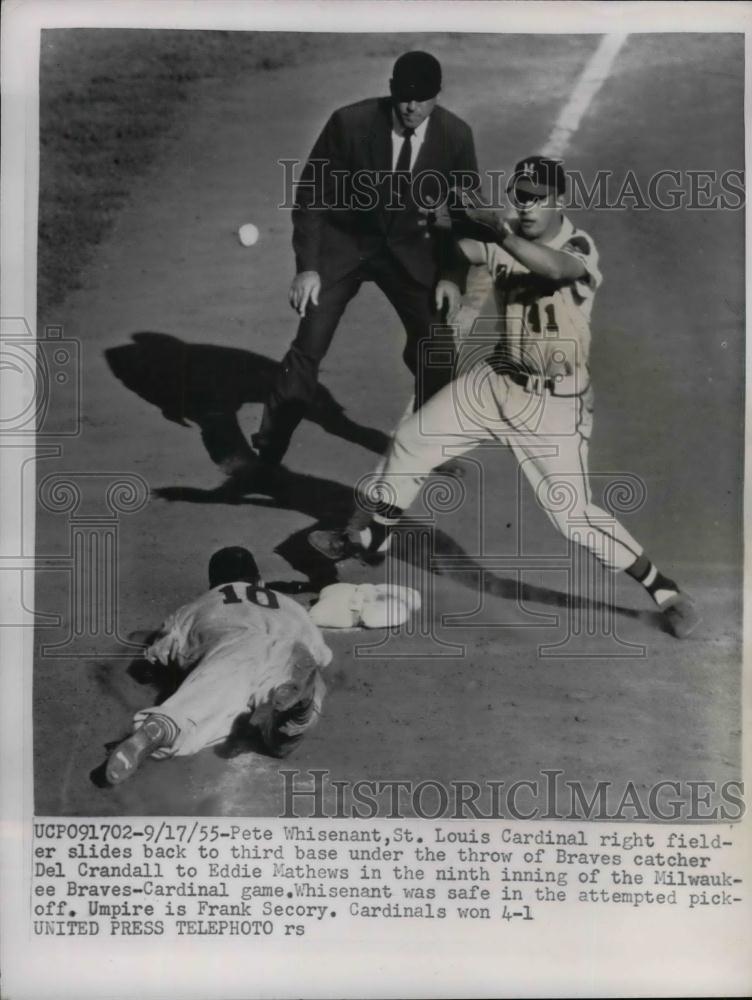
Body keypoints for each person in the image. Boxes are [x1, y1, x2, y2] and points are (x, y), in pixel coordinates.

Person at [308, 155, 701, 639]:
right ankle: (373, 535)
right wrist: (430, 218)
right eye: (521, 195)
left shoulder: (576, 245)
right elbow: (457, 247)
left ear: (560, 200)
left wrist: (497, 234)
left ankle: (664, 590)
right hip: (495, 381)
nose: (528, 205)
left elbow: (554, 269)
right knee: (412, 438)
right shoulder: (504, 235)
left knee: (573, 517)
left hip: (552, 406)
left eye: (538, 197)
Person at [251, 50, 479, 469]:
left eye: (423, 98)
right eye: (405, 97)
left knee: (438, 347)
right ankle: (269, 450)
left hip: (411, 251)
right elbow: (311, 195)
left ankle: (424, 444)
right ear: (391, 90)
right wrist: (308, 267)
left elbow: (463, 215)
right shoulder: (349, 123)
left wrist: (450, 276)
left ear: (437, 96)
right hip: (346, 245)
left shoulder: (455, 135)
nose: (412, 108)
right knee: (310, 343)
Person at [105, 547, 332, 784]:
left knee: (209, 699)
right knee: (283, 739)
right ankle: (300, 709)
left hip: (233, 649)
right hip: (290, 650)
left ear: (214, 585)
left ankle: (164, 725)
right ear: (260, 582)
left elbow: (158, 655)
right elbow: (322, 656)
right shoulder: (291, 606)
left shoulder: (203, 603)